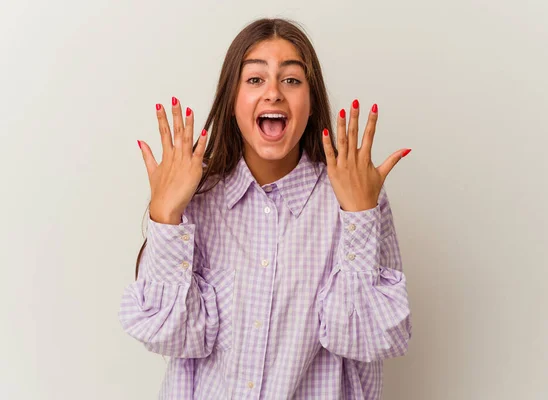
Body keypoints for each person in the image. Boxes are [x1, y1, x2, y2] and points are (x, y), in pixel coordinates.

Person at [118, 17, 412, 400]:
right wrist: (166, 216)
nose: (273, 92)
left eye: (291, 80)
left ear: (310, 105)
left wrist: (358, 217)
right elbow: (169, 336)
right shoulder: (197, 197)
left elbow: (376, 339)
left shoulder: (355, 194)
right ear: (233, 103)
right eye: (255, 79)